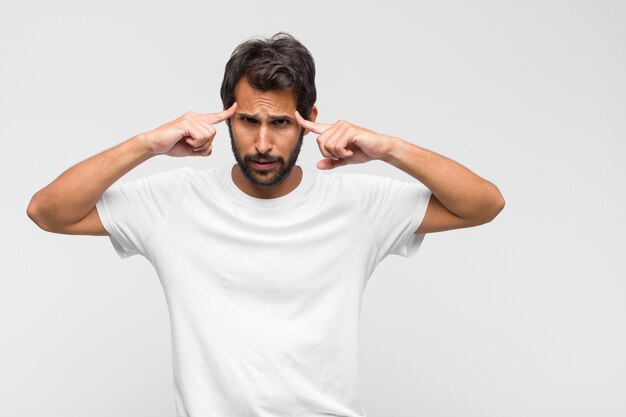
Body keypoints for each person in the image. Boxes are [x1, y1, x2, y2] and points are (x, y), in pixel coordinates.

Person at [27, 32, 505, 417]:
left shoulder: (356, 203)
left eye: (279, 124)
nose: (261, 142)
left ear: (309, 120)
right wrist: (147, 144)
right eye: (247, 121)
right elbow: (47, 212)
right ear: (224, 118)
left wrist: (389, 149)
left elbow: (484, 204)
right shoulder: (174, 201)